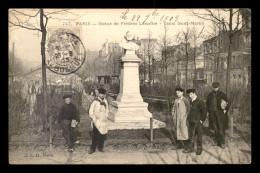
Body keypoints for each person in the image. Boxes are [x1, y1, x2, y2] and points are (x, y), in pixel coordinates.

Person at [206, 82, 230, 149]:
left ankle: (222, 143)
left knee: (221, 128)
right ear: (212, 87)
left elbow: (227, 103)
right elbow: (207, 103)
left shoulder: (222, 94)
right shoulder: (210, 95)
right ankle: (217, 142)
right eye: (214, 87)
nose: (215, 88)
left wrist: (226, 110)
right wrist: (209, 111)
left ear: (219, 87)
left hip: (220, 114)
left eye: (216, 87)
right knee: (215, 128)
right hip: (212, 114)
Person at [183, 89, 207, 155]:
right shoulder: (190, 102)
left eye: (191, 94)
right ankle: (190, 148)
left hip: (198, 122)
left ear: (194, 93)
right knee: (191, 135)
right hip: (191, 121)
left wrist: (202, 119)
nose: (190, 96)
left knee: (199, 136)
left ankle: (199, 149)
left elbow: (204, 111)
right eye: (189, 95)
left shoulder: (200, 101)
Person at [88, 88, 109, 154]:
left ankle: (100, 147)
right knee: (95, 135)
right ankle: (92, 148)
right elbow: (91, 110)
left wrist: (106, 115)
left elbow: (107, 109)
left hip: (103, 120)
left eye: (104, 94)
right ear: (99, 94)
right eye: (101, 94)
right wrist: (93, 117)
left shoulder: (105, 101)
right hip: (96, 120)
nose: (102, 95)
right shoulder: (95, 102)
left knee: (102, 134)